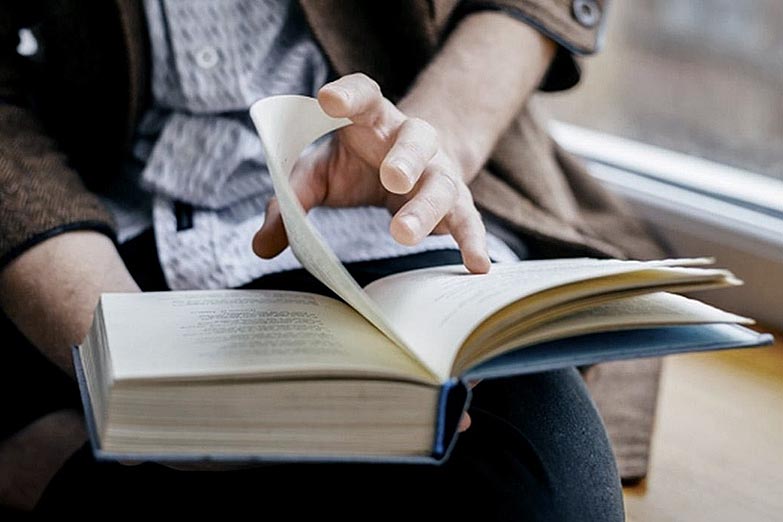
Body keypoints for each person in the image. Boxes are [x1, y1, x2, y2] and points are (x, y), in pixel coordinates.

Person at [0, 0, 662, 518]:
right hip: (97, 225)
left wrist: (428, 148)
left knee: (534, 495)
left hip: (392, 200)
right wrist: (130, 360)